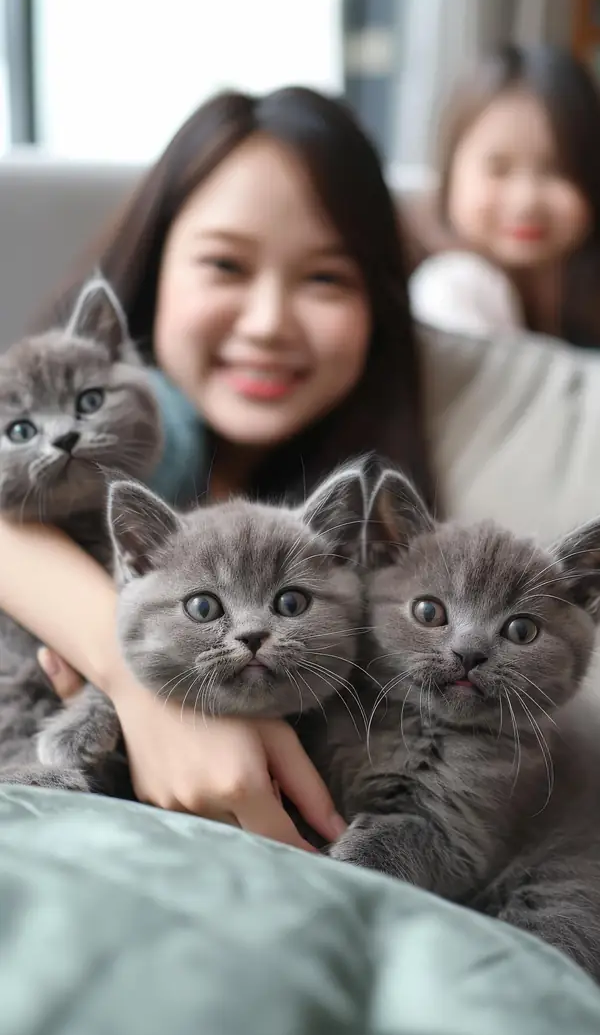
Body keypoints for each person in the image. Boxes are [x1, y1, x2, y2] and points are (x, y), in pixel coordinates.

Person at [0, 86, 432, 849]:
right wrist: (138, 685)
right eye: (226, 265)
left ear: (380, 302)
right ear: (156, 265)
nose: (267, 324)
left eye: (325, 278)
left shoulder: (377, 502)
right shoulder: (130, 429)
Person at [408, 45, 600, 346]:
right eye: (498, 169)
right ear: (450, 174)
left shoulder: (575, 294)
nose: (527, 201)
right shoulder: (453, 290)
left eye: (558, 170)